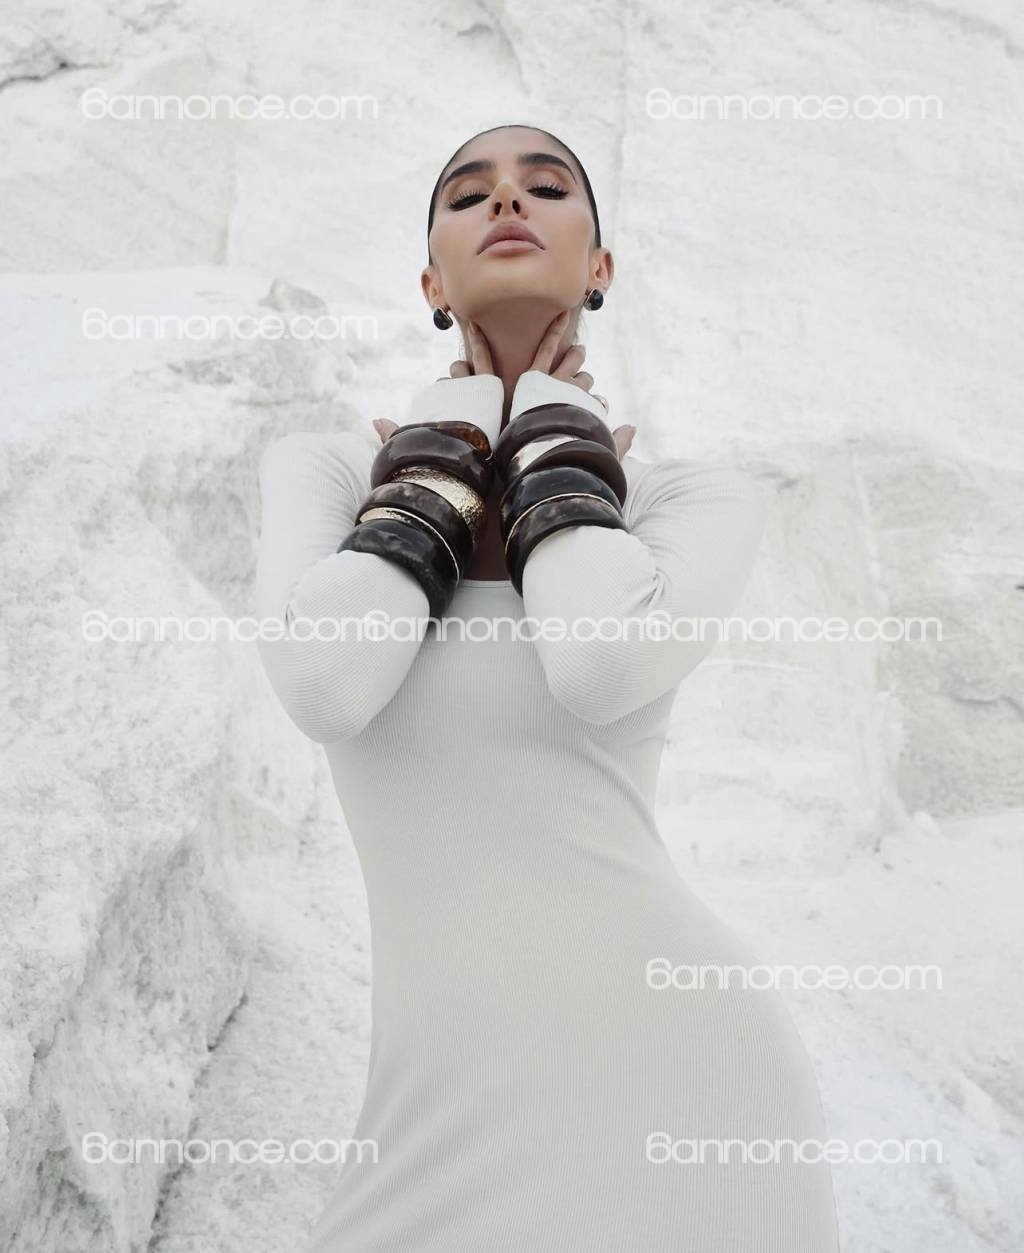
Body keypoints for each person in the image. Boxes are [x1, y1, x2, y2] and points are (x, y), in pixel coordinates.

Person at [253, 123, 841, 1251]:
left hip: (686, 1076)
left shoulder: (684, 498)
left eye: (546, 185)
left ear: (599, 264)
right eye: (467, 192)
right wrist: (443, 456)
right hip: (432, 1109)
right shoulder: (328, 474)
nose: (507, 202)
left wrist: (552, 445)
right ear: (430, 281)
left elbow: (597, 661)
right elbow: (327, 683)